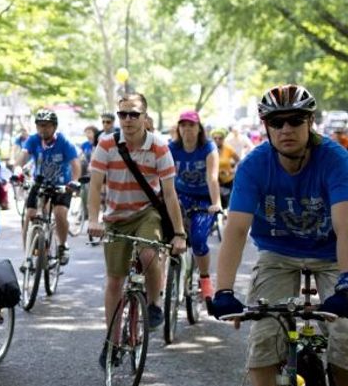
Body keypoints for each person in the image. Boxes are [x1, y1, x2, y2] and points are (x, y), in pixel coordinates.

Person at [209, 84, 348, 386]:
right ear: (265, 126)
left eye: (295, 120)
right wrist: (224, 289)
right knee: (264, 335)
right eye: (276, 122)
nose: (286, 129)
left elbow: (347, 227)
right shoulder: (254, 165)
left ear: (310, 122)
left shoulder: (335, 159)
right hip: (278, 253)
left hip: (332, 254)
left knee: (347, 335)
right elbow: (236, 230)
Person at [87, 93, 187, 347]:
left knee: (148, 252)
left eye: (134, 114)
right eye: (123, 114)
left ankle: (154, 303)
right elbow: (95, 186)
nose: (128, 119)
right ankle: (112, 341)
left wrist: (179, 233)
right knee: (115, 280)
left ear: (145, 117)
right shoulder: (106, 145)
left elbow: (169, 193)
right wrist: (93, 220)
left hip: (146, 212)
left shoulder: (159, 146)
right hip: (115, 216)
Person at [15, 109, 80, 264]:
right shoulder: (33, 140)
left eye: (46, 125)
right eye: (39, 125)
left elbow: (75, 163)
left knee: (59, 213)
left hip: (63, 184)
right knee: (29, 215)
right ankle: (28, 256)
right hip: (40, 182)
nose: (43, 129)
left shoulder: (63, 142)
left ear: (54, 127)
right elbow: (23, 155)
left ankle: (62, 246)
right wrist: (18, 169)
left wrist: (75, 180)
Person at [168, 110, 221, 299]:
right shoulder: (172, 148)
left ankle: (205, 279)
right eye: (183, 125)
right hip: (180, 197)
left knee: (198, 240)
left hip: (204, 200)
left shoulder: (208, 147)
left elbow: (212, 177)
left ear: (199, 128)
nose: (187, 129)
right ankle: (167, 276)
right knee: (168, 235)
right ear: (178, 129)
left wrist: (216, 203)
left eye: (191, 125)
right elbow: (166, 177)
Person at [211, 128, 237, 208]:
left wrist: (233, 171)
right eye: (215, 138)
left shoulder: (228, 148)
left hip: (228, 181)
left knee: (229, 203)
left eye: (220, 138)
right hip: (214, 182)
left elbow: (239, 161)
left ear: (223, 139)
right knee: (217, 205)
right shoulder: (209, 150)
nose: (217, 140)